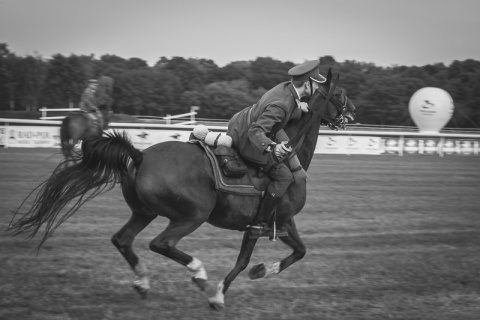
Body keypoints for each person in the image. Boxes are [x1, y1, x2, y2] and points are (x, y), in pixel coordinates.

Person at [227, 60, 326, 235]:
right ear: (306, 83)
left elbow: (286, 109)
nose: (317, 88)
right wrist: (272, 147)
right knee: (285, 176)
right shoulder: (282, 104)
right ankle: (259, 223)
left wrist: (300, 109)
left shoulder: (286, 88)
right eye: (316, 84)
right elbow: (256, 131)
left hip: (239, 122)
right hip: (247, 138)